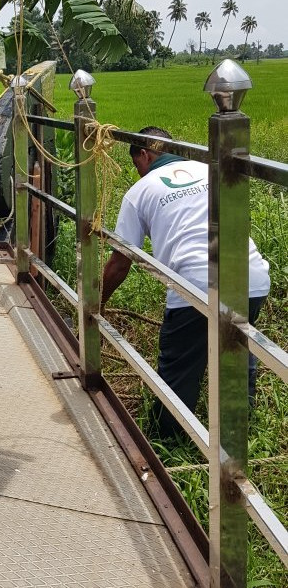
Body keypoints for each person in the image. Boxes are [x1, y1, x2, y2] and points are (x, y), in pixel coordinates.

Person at [101, 126, 270, 439]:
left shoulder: (140, 191)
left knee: (179, 371)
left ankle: (171, 438)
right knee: (236, 353)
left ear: (144, 154)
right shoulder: (209, 168)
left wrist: (93, 305)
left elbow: (120, 263)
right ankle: (238, 433)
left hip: (195, 285)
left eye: (136, 164)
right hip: (251, 276)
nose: (138, 172)